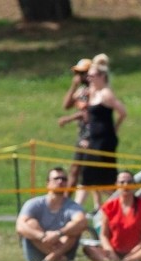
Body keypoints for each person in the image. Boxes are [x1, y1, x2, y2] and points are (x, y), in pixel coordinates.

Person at [76, 55, 127, 211]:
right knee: (88, 176)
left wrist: (114, 129)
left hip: (104, 141)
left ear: (101, 77)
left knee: (100, 178)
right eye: (89, 76)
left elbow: (122, 112)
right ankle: (78, 209)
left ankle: (121, 203)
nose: (89, 78)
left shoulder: (106, 94)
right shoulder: (92, 92)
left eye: (92, 76)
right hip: (93, 140)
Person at [16, 167, 87, 261]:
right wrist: (43, 236)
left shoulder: (73, 206)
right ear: (48, 184)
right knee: (30, 223)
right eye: (56, 178)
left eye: (64, 179)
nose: (60, 181)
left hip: (64, 246)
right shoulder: (33, 203)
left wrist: (58, 234)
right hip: (38, 248)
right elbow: (20, 226)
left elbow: (82, 222)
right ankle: (60, 259)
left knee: (74, 227)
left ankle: (50, 260)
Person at [83, 170, 141, 261]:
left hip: (137, 251)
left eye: (129, 182)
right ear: (117, 185)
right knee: (88, 249)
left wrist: (132, 254)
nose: (126, 185)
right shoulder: (109, 206)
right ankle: (112, 260)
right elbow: (103, 235)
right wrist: (111, 252)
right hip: (113, 250)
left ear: (134, 185)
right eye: (122, 182)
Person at [58, 58, 91, 190]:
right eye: (77, 73)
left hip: (90, 135)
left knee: (87, 171)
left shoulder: (94, 90)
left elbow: (88, 113)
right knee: (75, 170)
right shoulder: (81, 90)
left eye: (81, 73)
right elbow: (66, 105)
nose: (78, 76)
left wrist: (69, 119)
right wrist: (74, 86)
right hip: (82, 134)